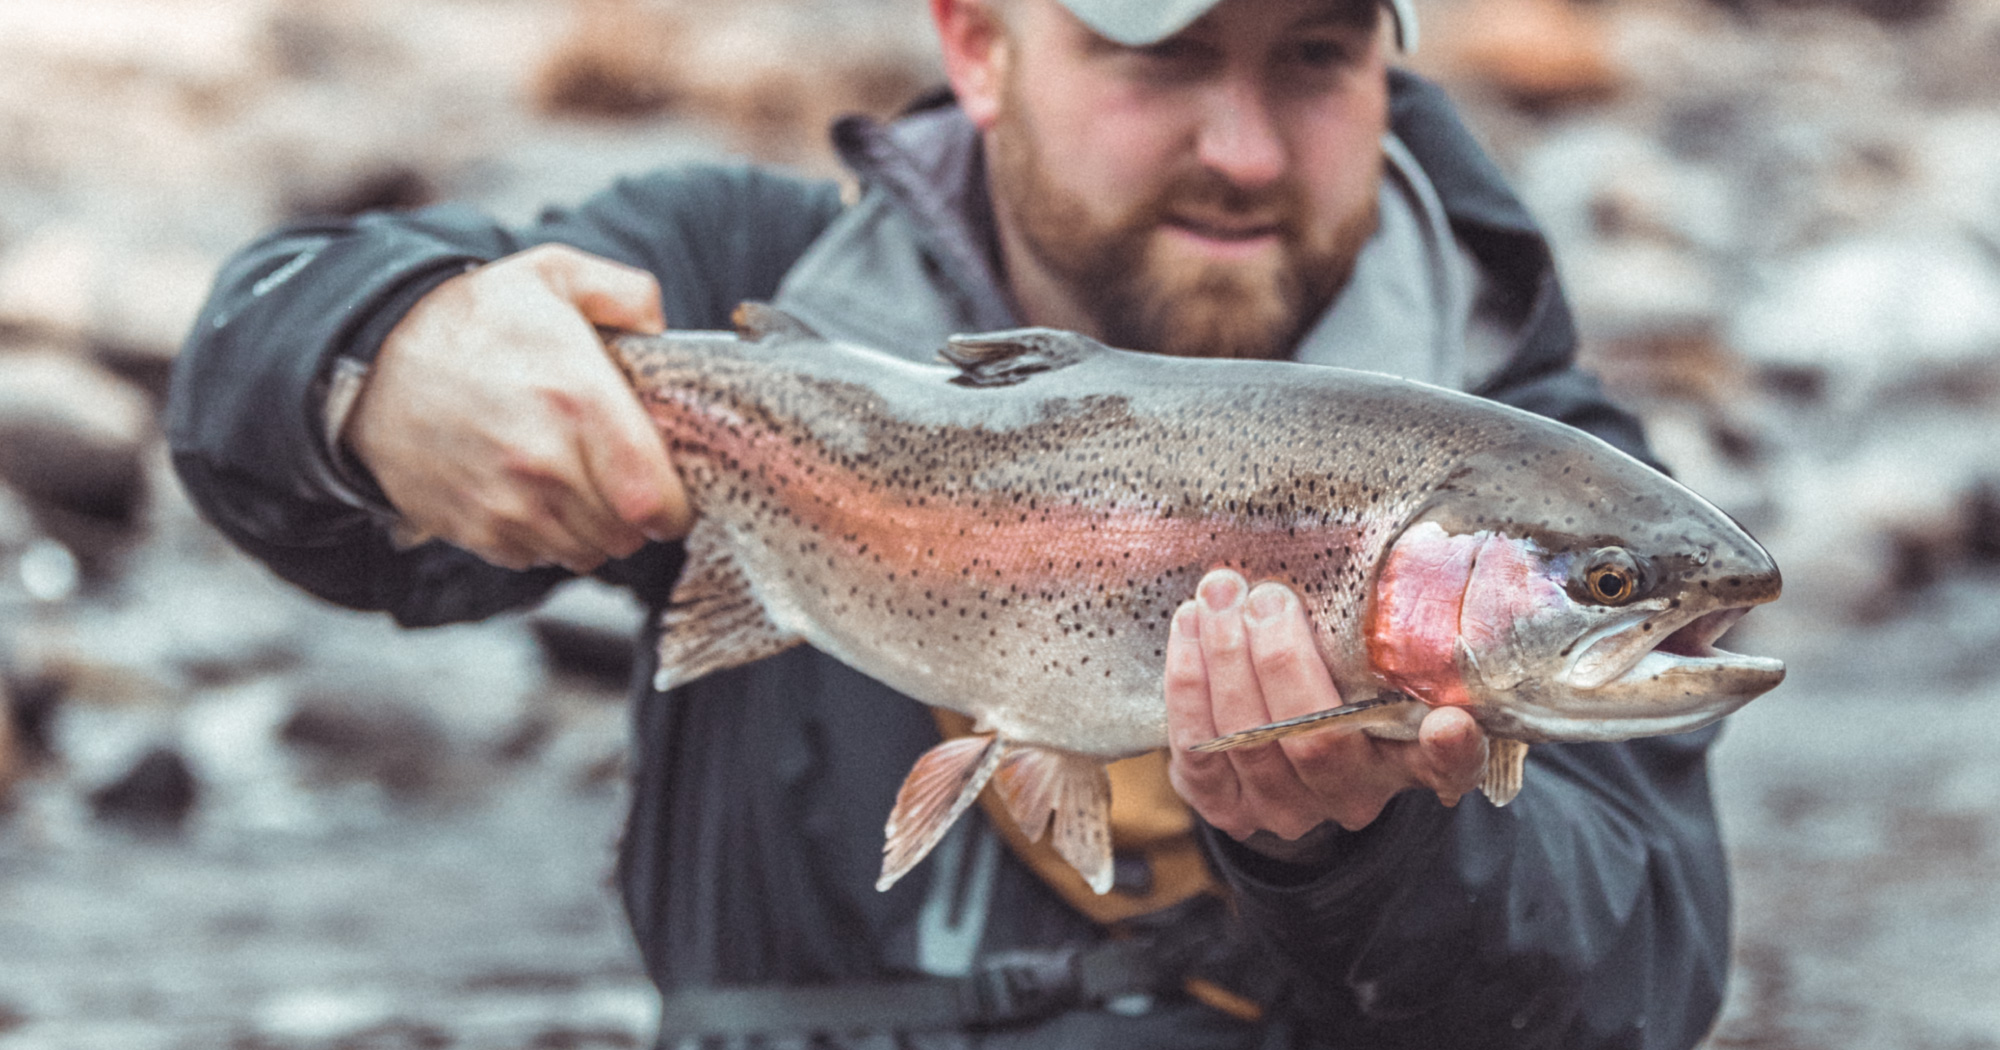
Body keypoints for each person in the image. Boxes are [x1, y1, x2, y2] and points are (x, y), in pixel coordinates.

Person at [166, 0, 1731, 1045]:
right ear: (978, 44)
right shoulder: (733, 286)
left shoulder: (1551, 464)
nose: (1244, 149)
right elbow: (258, 399)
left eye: (1314, 54)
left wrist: (1372, 850)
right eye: (1163, 57)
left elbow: (1640, 988)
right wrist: (368, 360)